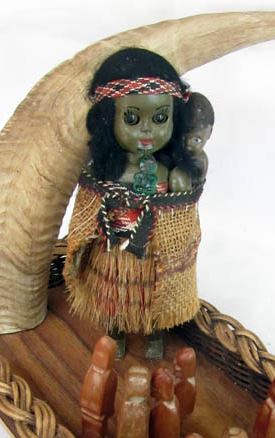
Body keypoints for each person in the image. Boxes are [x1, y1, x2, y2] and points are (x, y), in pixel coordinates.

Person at [63, 48, 207, 359]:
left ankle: (153, 332)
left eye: (160, 118)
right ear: (108, 119)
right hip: (115, 248)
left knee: (153, 293)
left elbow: (183, 216)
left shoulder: (169, 170)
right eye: (132, 118)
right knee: (114, 292)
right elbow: (87, 209)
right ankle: (115, 330)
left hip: (155, 250)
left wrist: (180, 181)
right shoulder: (106, 170)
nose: (146, 130)